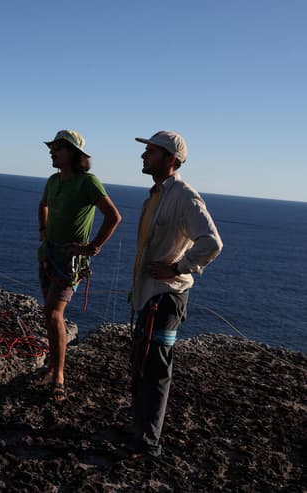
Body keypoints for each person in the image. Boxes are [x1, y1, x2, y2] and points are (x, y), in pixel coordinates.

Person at [129, 130, 222, 458]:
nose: (144, 156)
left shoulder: (183, 195)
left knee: (156, 370)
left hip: (166, 297)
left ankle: (147, 445)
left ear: (171, 160)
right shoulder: (157, 194)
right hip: (149, 295)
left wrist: (178, 267)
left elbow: (212, 241)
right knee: (141, 365)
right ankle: (140, 432)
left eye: (151, 152)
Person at [38, 130, 121, 401]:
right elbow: (43, 205)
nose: (52, 151)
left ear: (74, 153)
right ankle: (53, 366)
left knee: (53, 313)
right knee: (50, 315)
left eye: (59, 148)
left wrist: (92, 247)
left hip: (69, 261)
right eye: (52, 147)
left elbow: (113, 216)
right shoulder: (53, 180)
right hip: (49, 255)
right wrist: (43, 232)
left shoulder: (88, 182)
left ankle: (59, 375)